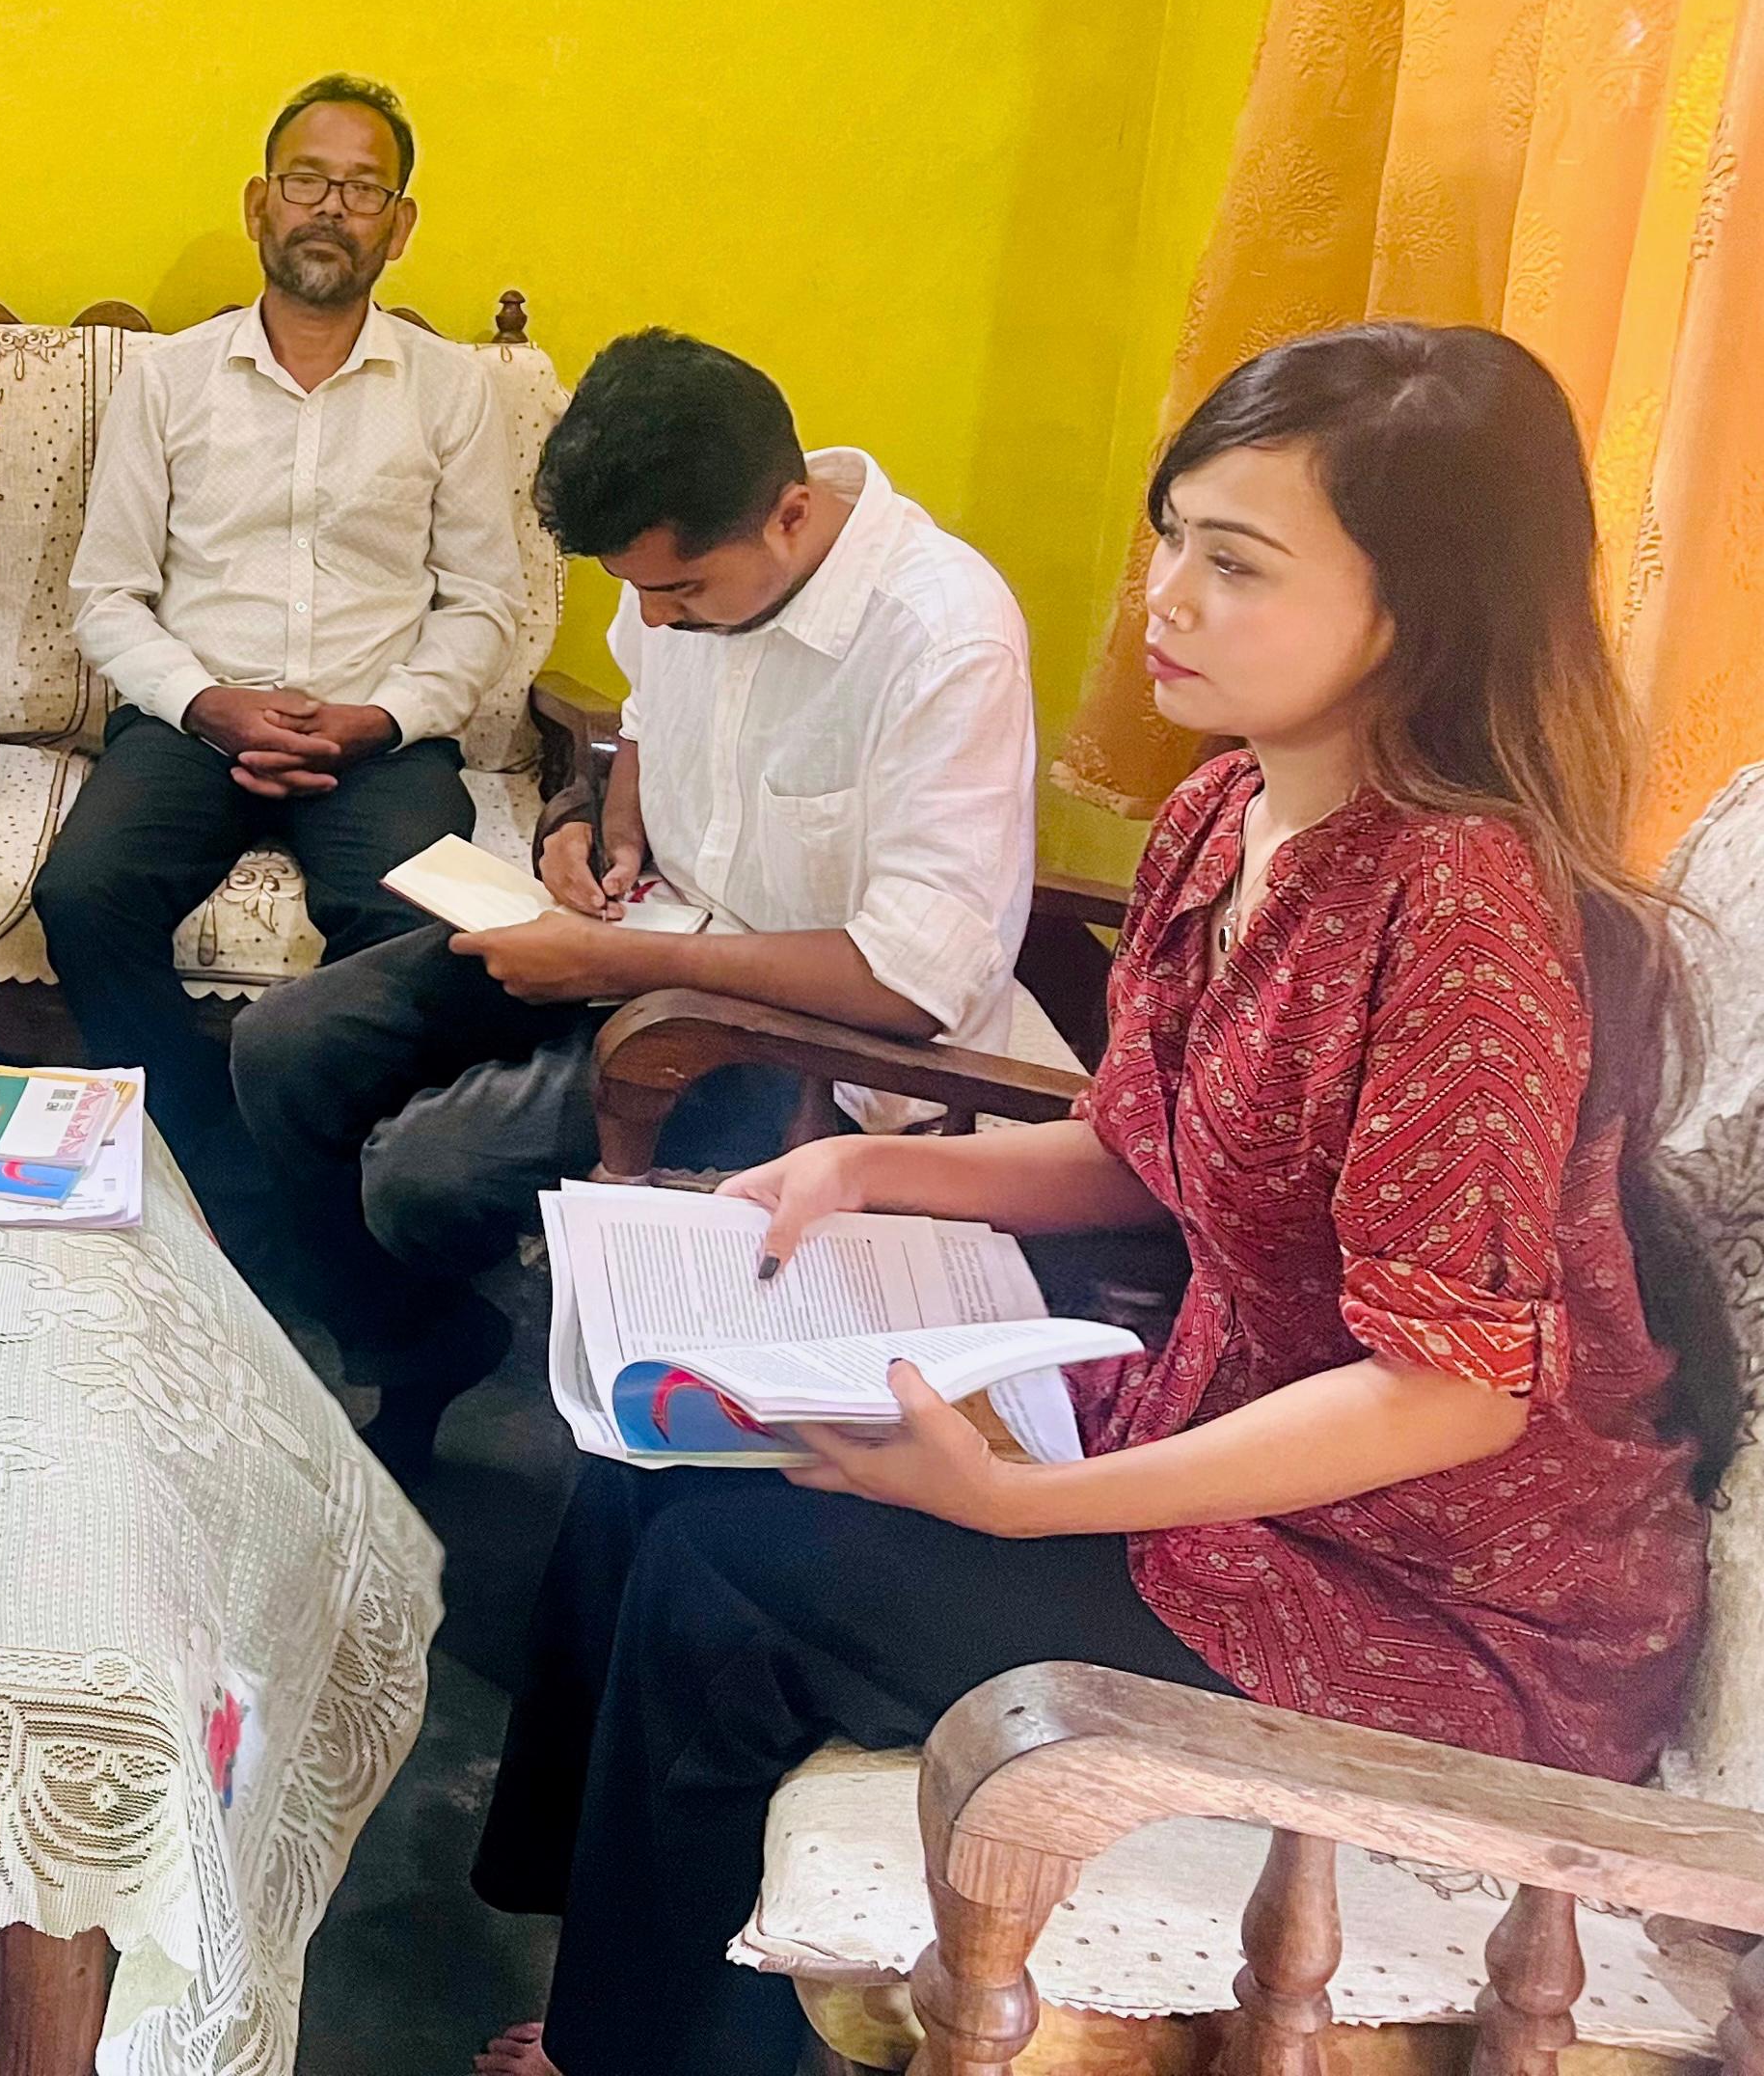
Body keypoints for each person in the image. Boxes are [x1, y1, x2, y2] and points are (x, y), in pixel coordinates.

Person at [470, 321, 1725, 2076]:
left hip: (1432, 1588)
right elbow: (1144, 1146)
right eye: (1174, 538)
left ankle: (636, 2045)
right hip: (1230, 1422)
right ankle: (618, 1988)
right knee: (644, 1482)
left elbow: (1452, 1385)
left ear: (1418, 610)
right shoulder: (1228, 811)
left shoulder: (1465, 915)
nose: (1170, 599)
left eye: (1237, 564)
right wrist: (861, 1165)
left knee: (731, 1591)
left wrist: (1023, 1507)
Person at [234, 328, 1044, 1481]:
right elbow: (644, 730)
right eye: (635, 591)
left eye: (680, 590)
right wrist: (589, 825)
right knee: (288, 1044)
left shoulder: (940, 639)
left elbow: (913, 983)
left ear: (793, 516)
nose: (654, 620)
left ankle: (516, 1398)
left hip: (820, 1043)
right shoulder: (688, 582)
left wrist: (610, 970)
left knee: (428, 1177)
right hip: (654, 938)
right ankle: (422, 1343)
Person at [34, 74, 521, 1235]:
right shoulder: (169, 379)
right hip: (194, 720)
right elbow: (107, 594)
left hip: (380, 735)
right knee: (85, 892)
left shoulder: (452, 391)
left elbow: (487, 606)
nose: (330, 208)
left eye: (363, 189)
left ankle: (349, 1198)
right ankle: (204, 1173)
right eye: (308, 180)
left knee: (423, 924)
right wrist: (208, 705)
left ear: (399, 227)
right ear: (259, 203)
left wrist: (380, 718)